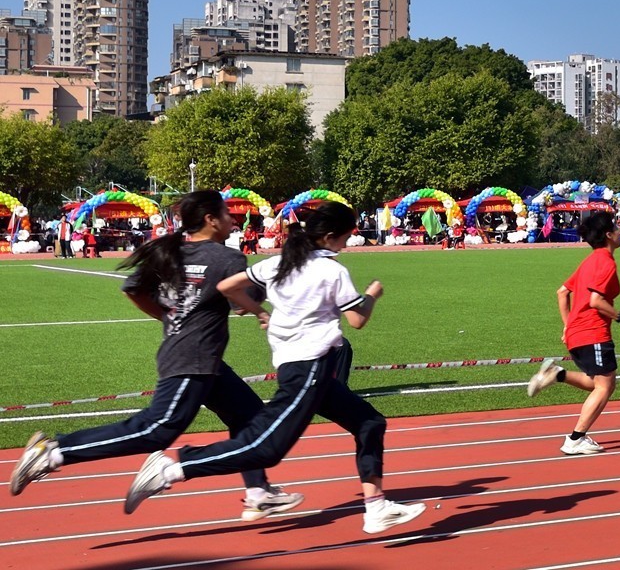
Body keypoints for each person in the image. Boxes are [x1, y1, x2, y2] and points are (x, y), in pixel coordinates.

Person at [122, 202, 425, 536]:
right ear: (330, 236)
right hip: (309, 366)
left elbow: (227, 288)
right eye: (347, 234)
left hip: (301, 364)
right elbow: (357, 319)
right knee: (266, 447)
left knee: (369, 422)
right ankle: (172, 469)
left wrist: (258, 310)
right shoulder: (331, 271)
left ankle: (376, 506)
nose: (348, 240)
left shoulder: (278, 263)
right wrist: (372, 293)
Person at [9, 190, 303, 522]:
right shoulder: (227, 259)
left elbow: (133, 289)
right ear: (210, 220)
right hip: (193, 360)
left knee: (249, 417)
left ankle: (258, 492)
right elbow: (239, 304)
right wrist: (272, 286)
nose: (232, 220)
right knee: (157, 429)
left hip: (195, 358)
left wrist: (170, 317)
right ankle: (53, 453)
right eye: (226, 214)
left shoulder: (172, 250)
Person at [526, 210, 620, 455]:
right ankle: (576, 438)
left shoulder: (589, 261)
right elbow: (596, 301)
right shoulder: (606, 262)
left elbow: (561, 292)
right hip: (593, 333)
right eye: (616, 228)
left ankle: (556, 374)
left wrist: (568, 325)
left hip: (576, 334)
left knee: (596, 382)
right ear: (609, 235)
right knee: (605, 386)